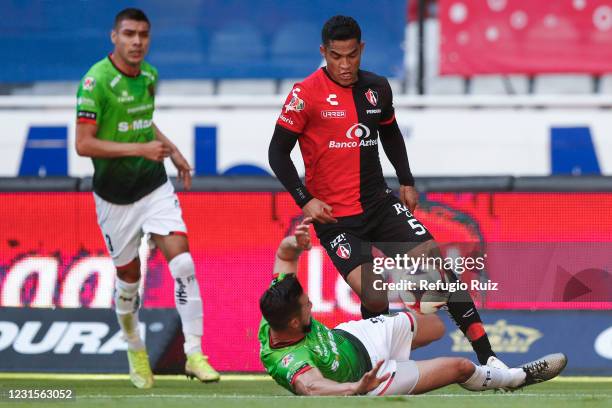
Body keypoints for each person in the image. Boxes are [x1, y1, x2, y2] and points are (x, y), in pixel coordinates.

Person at [268, 15, 502, 368]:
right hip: (337, 220)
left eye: (351, 56)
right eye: (336, 56)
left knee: (435, 265)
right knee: (375, 294)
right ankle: (374, 360)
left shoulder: (377, 88)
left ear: (361, 50)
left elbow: (390, 132)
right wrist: (306, 199)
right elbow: (277, 153)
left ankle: (489, 357)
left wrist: (406, 180)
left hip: (379, 204)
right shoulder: (304, 95)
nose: (344, 65)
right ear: (323, 53)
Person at [75, 8, 219, 388]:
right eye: (128, 34)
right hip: (114, 198)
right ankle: (135, 348)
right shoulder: (96, 82)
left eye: (143, 34)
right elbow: (83, 144)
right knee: (129, 281)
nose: (136, 41)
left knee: (183, 263)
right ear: (114, 37)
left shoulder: (150, 76)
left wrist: (170, 149)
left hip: (153, 186)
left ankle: (194, 353)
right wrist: (137, 150)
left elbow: (143, 122)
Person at [258, 218, 566, 396]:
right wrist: (354, 388)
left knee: (434, 325)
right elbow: (312, 387)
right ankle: (515, 379)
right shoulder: (288, 358)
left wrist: (294, 243)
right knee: (459, 367)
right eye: (305, 305)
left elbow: (284, 256)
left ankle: (408, 317)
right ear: (294, 324)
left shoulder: (278, 303)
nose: (311, 302)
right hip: (371, 378)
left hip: (357, 336)